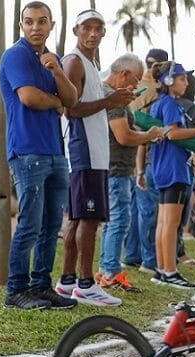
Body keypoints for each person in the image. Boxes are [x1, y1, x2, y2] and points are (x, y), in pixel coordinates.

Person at [0, 1, 78, 310]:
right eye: (29, 21)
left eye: (42, 21)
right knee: (30, 224)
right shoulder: (15, 55)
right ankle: (15, 291)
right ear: (21, 25)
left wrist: (57, 72)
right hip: (27, 150)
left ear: (51, 25)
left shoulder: (52, 59)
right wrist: (55, 102)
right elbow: (29, 98)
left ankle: (41, 286)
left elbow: (71, 99)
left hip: (55, 152)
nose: (35, 27)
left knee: (50, 225)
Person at [53, 9, 134, 307]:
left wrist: (111, 100)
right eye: (87, 27)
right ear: (76, 30)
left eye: (99, 28)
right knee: (88, 218)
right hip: (83, 149)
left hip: (91, 151)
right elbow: (72, 109)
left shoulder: (89, 62)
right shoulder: (74, 61)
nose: (94, 33)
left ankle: (67, 281)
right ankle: (86, 284)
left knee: (78, 218)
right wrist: (109, 101)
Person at [96, 54, 165, 292]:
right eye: (135, 80)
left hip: (112, 167)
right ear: (124, 74)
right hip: (115, 169)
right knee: (119, 220)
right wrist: (149, 135)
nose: (136, 86)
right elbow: (123, 136)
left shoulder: (108, 94)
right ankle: (111, 272)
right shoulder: (114, 98)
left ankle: (106, 269)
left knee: (113, 221)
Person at [149, 61, 195, 289]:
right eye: (182, 79)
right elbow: (173, 134)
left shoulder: (158, 103)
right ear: (169, 81)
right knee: (171, 224)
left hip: (162, 168)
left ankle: (162, 270)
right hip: (175, 169)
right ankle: (170, 271)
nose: (186, 83)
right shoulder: (170, 104)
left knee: (164, 222)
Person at [123, 48, 168, 274]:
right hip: (142, 154)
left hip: (132, 154)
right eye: (150, 64)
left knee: (135, 209)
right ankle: (147, 260)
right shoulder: (152, 89)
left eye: (154, 65)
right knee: (146, 211)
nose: (151, 69)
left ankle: (133, 255)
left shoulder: (138, 86)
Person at [174, 73, 195, 267]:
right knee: (178, 217)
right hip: (182, 167)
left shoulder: (162, 104)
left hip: (158, 165)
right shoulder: (191, 108)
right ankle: (178, 254)